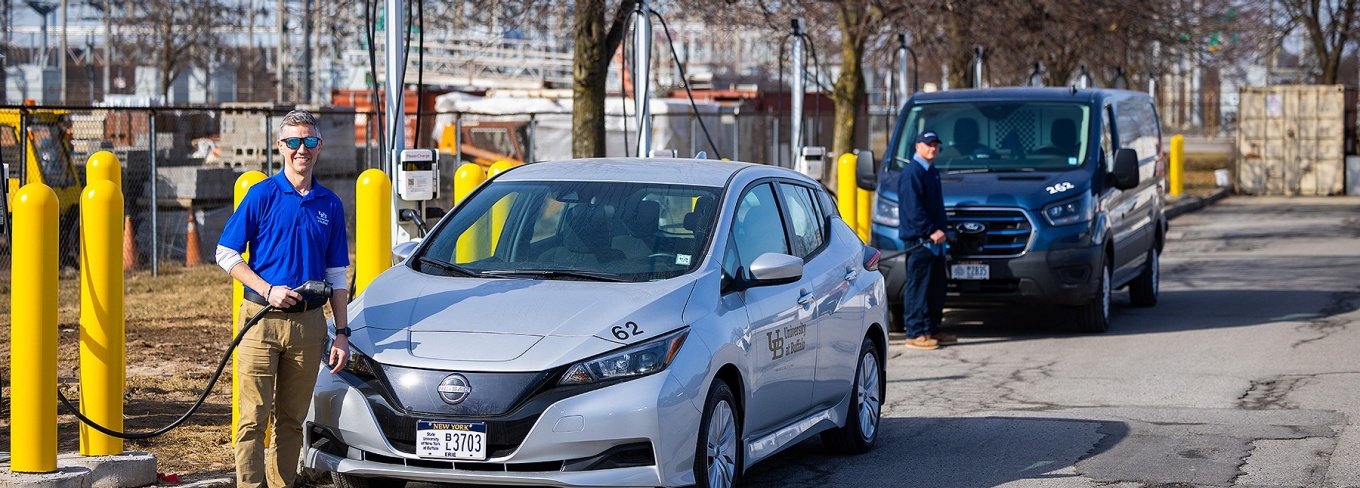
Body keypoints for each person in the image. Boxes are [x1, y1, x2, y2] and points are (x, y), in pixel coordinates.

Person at [216, 109, 351, 487]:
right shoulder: (262, 196)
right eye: (293, 141)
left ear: (319, 146)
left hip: (309, 326)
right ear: (280, 146)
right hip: (261, 320)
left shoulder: (330, 204)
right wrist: (266, 289)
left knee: (292, 420)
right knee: (252, 419)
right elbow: (225, 253)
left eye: (308, 141)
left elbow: (337, 275)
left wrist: (342, 332)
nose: (301, 149)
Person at [897, 130, 956, 350]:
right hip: (921, 240)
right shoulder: (913, 172)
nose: (933, 148)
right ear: (918, 147)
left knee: (936, 287)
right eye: (928, 144)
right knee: (918, 287)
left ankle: (932, 328)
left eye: (936, 144)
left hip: (936, 241)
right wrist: (931, 230)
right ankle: (914, 333)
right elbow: (913, 209)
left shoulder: (931, 171)